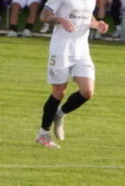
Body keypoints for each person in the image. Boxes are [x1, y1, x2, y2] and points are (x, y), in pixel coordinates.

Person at [35, 0, 108, 149]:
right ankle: (43, 134)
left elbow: (86, 16)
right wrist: (60, 19)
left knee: (87, 92)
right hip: (61, 49)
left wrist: (96, 24)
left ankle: (60, 114)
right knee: (58, 92)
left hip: (81, 51)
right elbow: (44, 15)